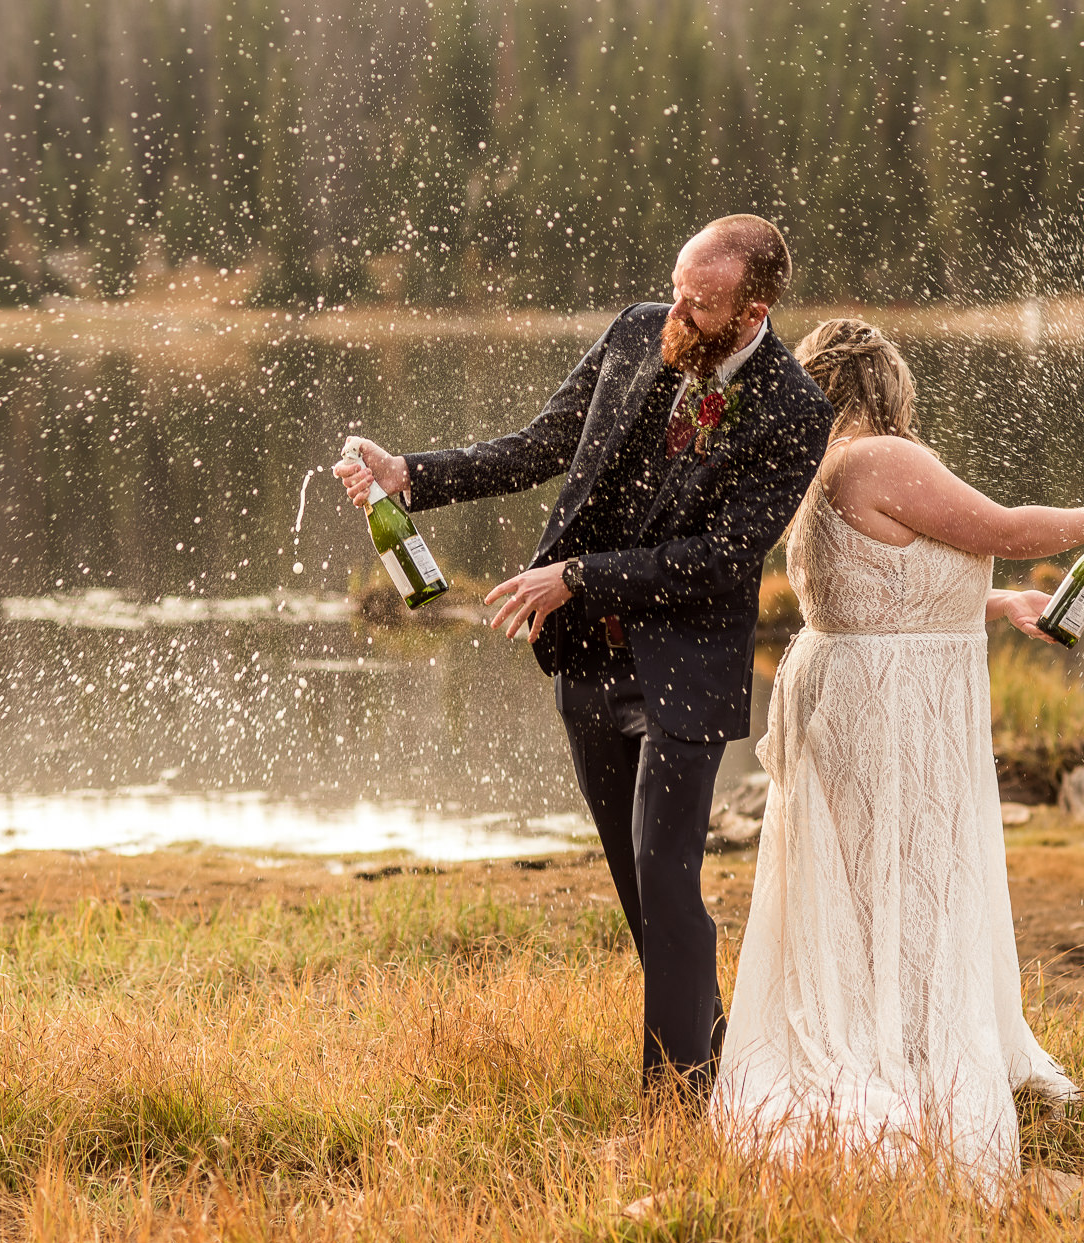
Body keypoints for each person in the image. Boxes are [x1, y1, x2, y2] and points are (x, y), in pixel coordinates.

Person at [336, 216, 834, 1099]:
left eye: (702, 300)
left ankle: (677, 1102)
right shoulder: (639, 329)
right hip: (587, 664)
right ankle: (716, 1060)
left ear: (753, 310)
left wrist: (577, 574)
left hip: (684, 666)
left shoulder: (797, 411)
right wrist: (410, 473)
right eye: (677, 284)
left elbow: (722, 560)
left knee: (665, 870)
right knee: (639, 888)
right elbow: (539, 445)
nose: (678, 307)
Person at [709, 318, 1084, 1195]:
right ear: (883, 383)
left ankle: (897, 1028)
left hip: (864, 691)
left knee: (879, 880)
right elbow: (1002, 523)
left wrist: (995, 605)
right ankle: (906, 1051)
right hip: (894, 711)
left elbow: (882, 583)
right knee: (908, 876)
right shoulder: (874, 456)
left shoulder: (823, 469)